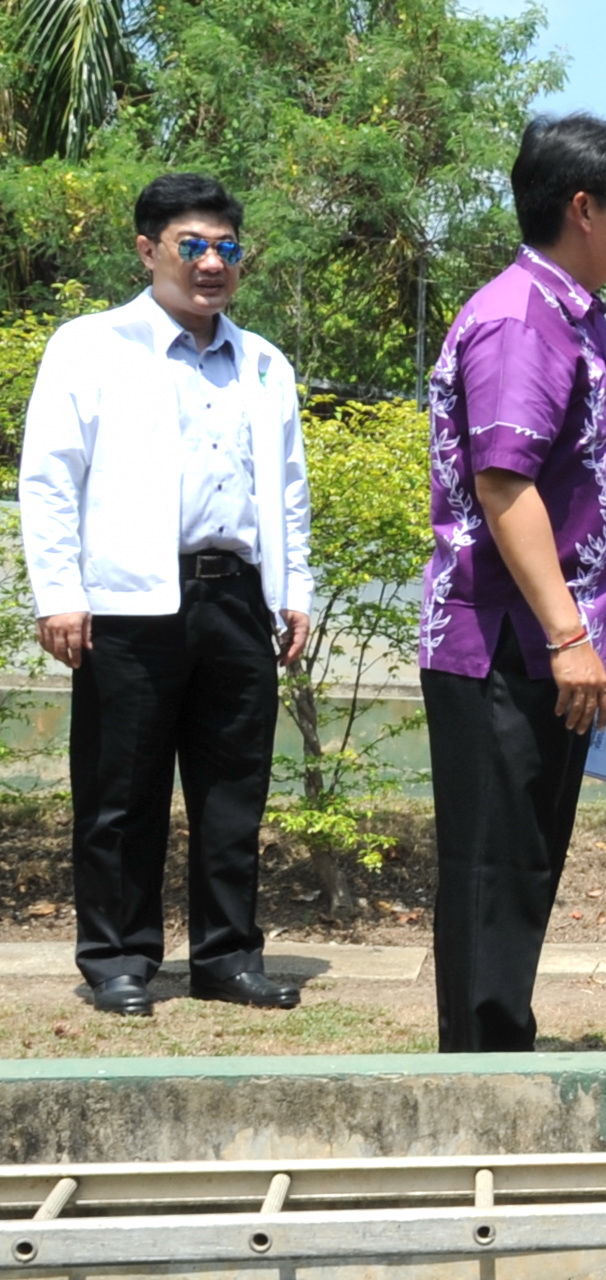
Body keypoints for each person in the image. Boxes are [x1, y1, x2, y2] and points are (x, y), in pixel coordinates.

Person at [19, 173, 312, 1018]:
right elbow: (48, 478)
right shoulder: (91, 345)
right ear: (148, 250)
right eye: (193, 245)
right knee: (120, 793)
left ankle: (227, 957)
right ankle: (118, 959)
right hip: (126, 601)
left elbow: (287, 489)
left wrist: (293, 591)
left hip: (235, 598)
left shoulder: (263, 362)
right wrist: (59, 594)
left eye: (227, 247)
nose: (212, 263)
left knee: (233, 793)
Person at [421, 112, 606, 1053]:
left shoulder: (567, 314)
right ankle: (479, 1075)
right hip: (506, 647)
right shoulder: (522, 320)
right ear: (582, 208)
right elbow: (503, 483)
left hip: (540, 647)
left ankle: (497, 1049)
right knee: (493, 869)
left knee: (520, 868)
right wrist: (568, 637)